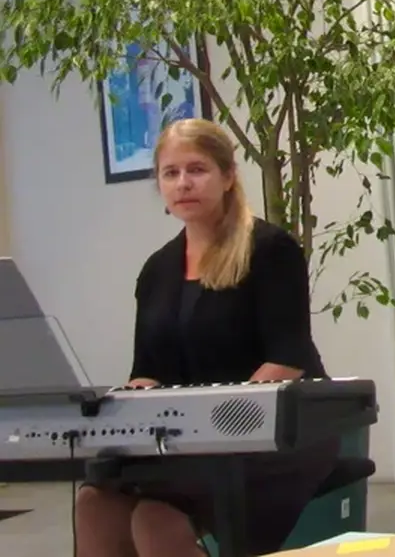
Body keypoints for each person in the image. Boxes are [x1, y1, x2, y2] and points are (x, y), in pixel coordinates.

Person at [74, 118, 339, 557]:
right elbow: (148, 371)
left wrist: (216, 427)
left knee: (154, 517)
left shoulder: (270, 249)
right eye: (170, 173)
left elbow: (286, 359)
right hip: (192, 437)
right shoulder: (157, 270)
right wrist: (127, 408)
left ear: (228, 176)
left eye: (197, 169)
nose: (183, 183)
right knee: (94, 503)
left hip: (277, 432)